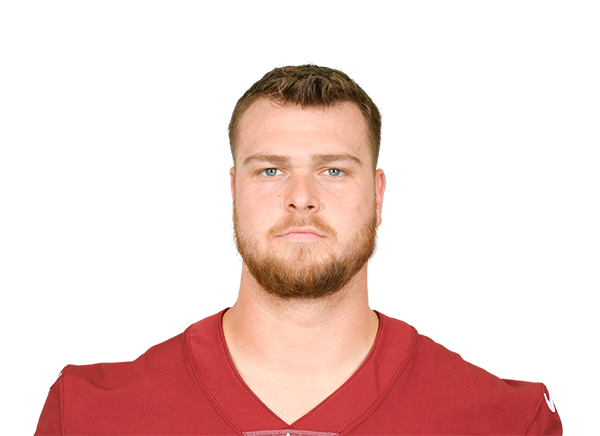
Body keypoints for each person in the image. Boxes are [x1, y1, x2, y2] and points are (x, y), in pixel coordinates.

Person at [35, 63, 563, 435]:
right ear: (233, 193)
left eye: (333, 170)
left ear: (378, 193)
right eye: (271, 170)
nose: (301, 197)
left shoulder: (507, 421)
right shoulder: (86, 415)